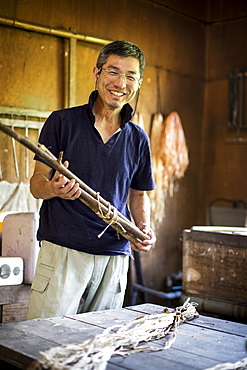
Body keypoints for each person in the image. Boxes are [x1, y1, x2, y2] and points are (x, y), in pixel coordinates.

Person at [26, 40, 156, 320]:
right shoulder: (62, 122)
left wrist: (142, 227)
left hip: (115, 255)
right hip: (63, 250)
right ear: (97, 73)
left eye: (130, 76)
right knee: (43, 340)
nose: (121, 82)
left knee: (95, 346)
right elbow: (37, 184)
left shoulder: (138, 139)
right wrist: (53, 188)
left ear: (139, 82)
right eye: (113, 71)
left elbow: (138, 194)